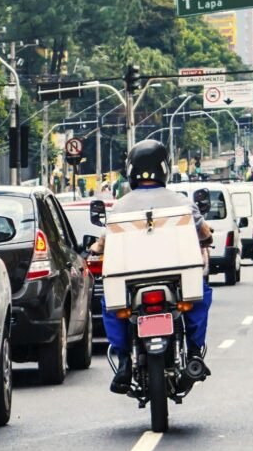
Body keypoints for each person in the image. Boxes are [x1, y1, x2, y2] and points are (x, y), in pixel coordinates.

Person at [91, 139, 214, 394]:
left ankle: (125, 360)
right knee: (200, 297)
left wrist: (93, 249)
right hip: (177, 279)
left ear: (130, 170)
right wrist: (207, 238)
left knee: (111, 306)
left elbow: (104, 243)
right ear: (164, 168)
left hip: (130, 281)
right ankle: (193, 352)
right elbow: (203, 232)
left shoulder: (121, 205)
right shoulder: (181, 201)